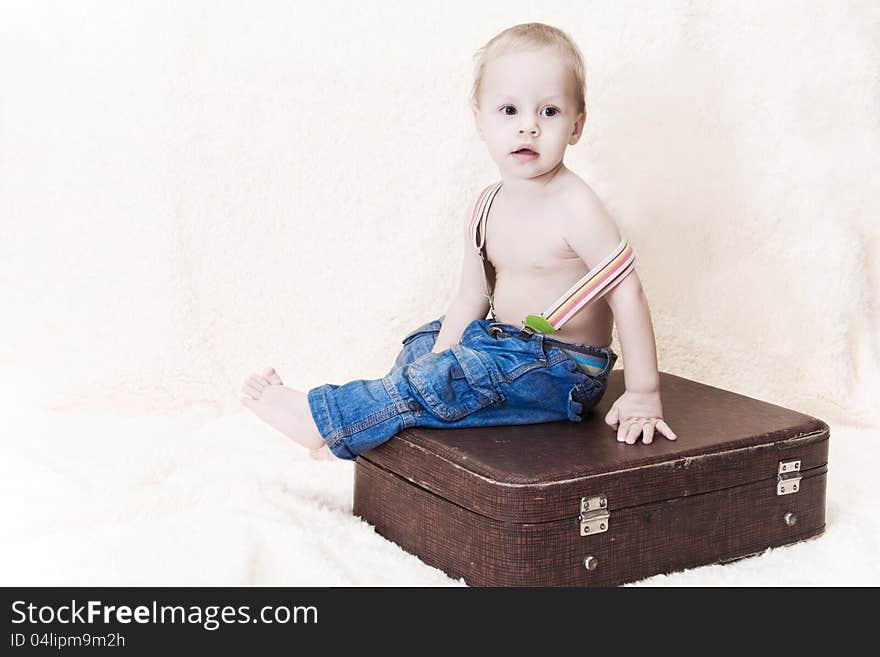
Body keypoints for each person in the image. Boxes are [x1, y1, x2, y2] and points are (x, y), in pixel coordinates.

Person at [240, 22, 677, 461]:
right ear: (480, 120)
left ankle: (324, 420)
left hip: (562, 369)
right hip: (500, 345)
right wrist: (436, 358)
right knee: (425, 344)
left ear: (577, 126)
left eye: (549, 112)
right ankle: (361, 428)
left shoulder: (576, 206)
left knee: (455, 372)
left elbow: (627, 292)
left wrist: (643, 391)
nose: (528, 127)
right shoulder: (486, 205)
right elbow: (472, 296)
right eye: (509, 111)